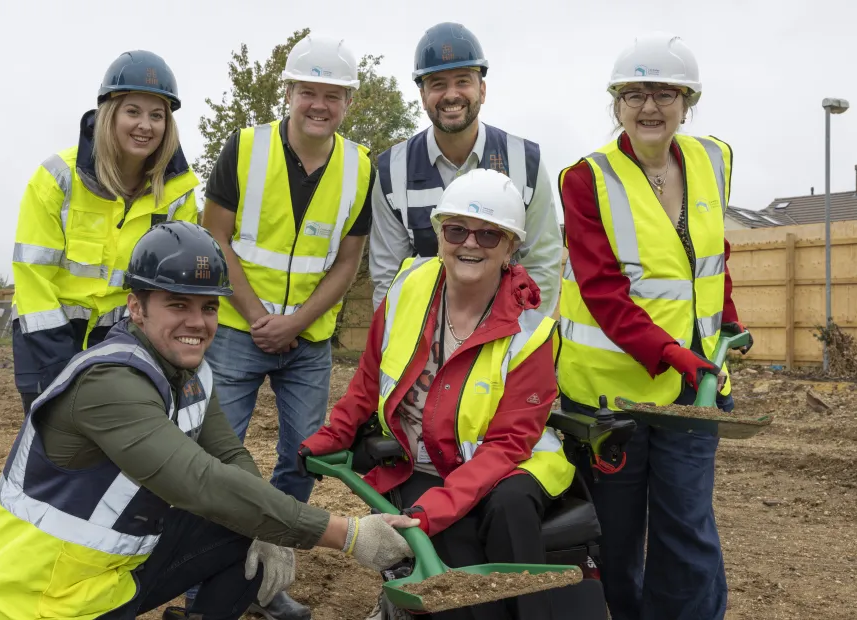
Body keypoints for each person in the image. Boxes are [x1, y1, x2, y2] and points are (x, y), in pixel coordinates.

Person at [0, 221, 416, 620]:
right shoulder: (108, 383)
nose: (198, 322)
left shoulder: (188, 371)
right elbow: (201, 481)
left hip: (110, 577)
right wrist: (348, 534)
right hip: (41, 599)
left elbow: (229, 456)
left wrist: (269, 529)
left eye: (209, 307)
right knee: (234, 507)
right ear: (136, 307)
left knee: (246, 520)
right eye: (178, 304)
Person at [299, 169, 576, 620]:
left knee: (508, 511)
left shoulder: (531, 333)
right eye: (457, 229)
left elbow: (508, 445)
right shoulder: (409, 286)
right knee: (449, 564)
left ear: (510, 248)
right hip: (423, 461)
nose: (470, 243)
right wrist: (332, 436)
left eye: (490, 235)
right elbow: (369, 378)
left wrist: (434, 509)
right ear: (439, 233)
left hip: (507, 465)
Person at [556, 32, 753, 620]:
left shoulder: (712, 158)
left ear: (687, 101)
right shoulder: (585, 179)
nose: (649, 107)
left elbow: (709, 256)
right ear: (615, 101)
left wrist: (726, 323)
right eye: (634, 93)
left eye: (665, 92)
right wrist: (671, 352)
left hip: (694, 389)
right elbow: (603, 293)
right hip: (610, 396)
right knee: (616, 541)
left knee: (687, 530)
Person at [199, 33, 374, 620]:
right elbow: (214, 238)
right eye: (308, 92)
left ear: (348, 101)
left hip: (308, 342)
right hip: (235, 333)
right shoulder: (245, 148)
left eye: (332, 94)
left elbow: (348, 261)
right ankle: (210, 586)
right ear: (290, 93)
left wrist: (296, 322)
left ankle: (268, 580)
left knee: (303, 459)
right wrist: (257, 319)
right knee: (218, 458)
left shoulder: (359, 167)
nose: (319, 104)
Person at [10, 50, 200, 414]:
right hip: (47, 340)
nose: (145, 125)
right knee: (60, 456)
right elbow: (33, 277)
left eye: (157, 115)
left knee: (121, 457)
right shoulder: (57, 178)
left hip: (129, 345)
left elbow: (173, 287)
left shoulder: (178, 194)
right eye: (133, 111)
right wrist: (62, 367)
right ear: (109, 113)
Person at [369, 22, 562, 316]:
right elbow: (388, 278)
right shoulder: (391, 171)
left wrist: (522, 343)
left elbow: (542, 265)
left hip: (504, 341)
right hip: (422, 344)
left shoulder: (525, 162)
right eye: (437, 84)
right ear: (422, 97)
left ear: (482, 90)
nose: (451, 94)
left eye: (463, 81)